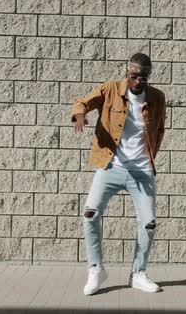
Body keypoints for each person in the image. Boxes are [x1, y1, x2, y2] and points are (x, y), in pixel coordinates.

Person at [71, 53, 167, 296]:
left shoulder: (157, 98)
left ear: (149, 76)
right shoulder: (110, 89)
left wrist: (148, 157)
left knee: (148, 223)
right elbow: (81, 103)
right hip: (110, 166)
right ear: (127, 72)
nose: (138, 81)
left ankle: (138, 273)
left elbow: (160, 129)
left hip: (142, 170)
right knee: (90, 214)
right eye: (134, 75)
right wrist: (81, 115)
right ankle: (96, 269)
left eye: (143, 76)